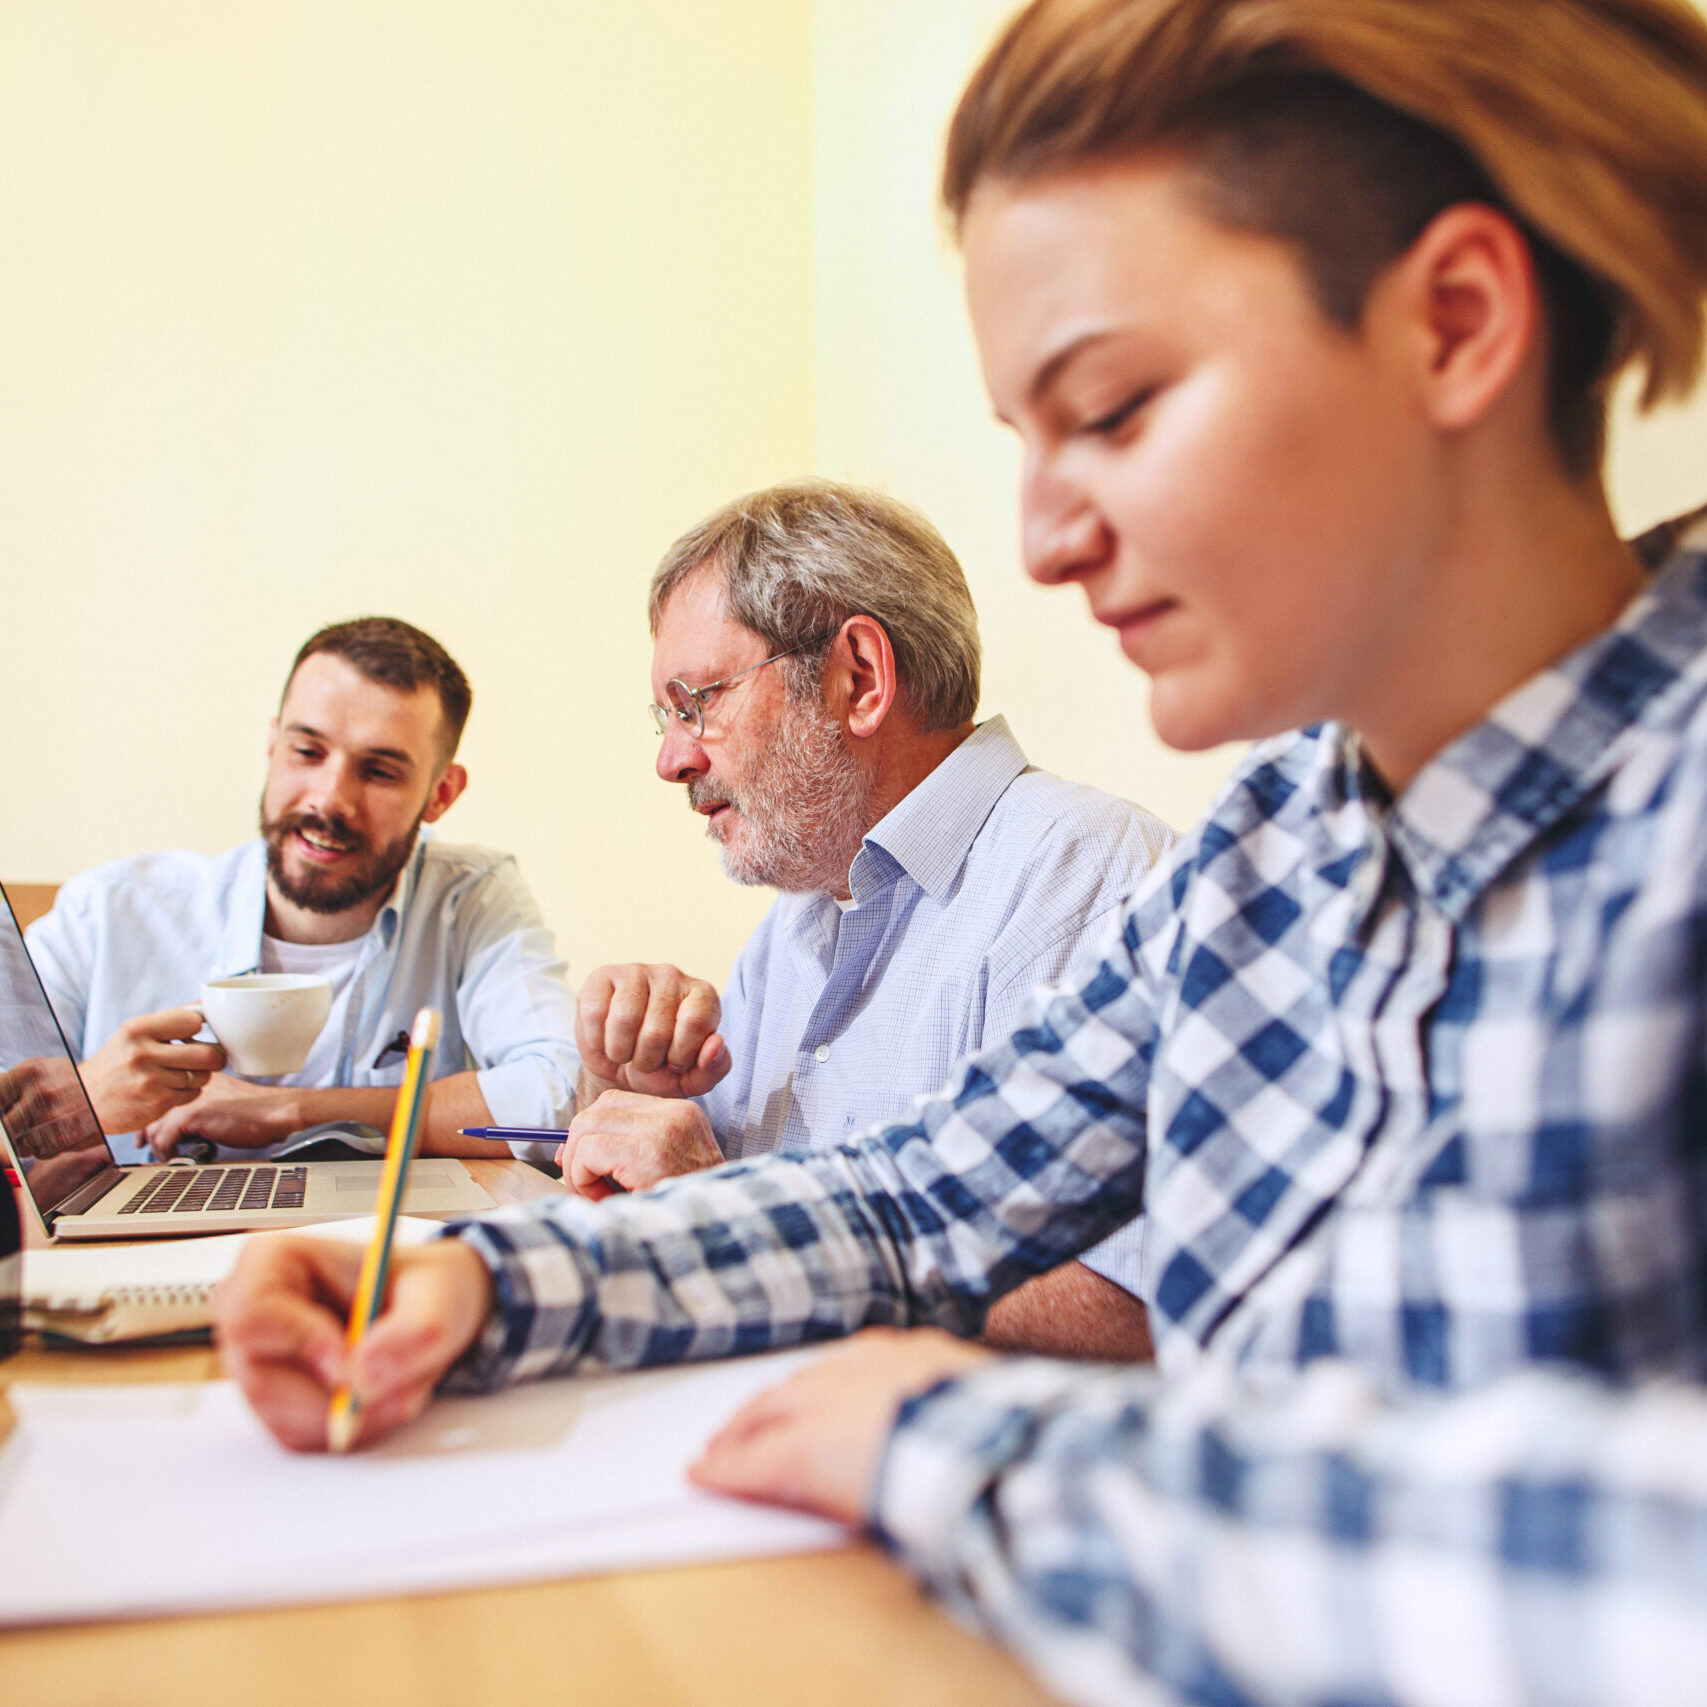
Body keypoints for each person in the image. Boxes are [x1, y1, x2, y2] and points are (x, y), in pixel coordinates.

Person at [215, 2, 1707, 1702]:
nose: (1047, 542)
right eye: (1024, 442)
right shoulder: (1273, 857)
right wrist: (488, 1288)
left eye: (1118, 406)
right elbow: (920, 1195)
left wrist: (952, 1438)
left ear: (1451, 325)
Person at [562, 480, 1174, 1356]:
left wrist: (737, 1214)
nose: (671, 757)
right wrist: (627, 1092)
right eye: (664, 716)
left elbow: (1131, 1300)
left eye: (696, 701)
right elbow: (691, 1174)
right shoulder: (802, 915)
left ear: (859, 678)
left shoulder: (1084, 876)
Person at [30, 617, 578, 1163]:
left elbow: (559, 1094)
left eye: (380, 771)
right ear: (272, 745)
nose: (329, 800)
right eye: (307, 752)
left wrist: (289, 1110)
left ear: (440, 794)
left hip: (374, 1243)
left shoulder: (469, 897)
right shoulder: (105, 912)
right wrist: (85, 1101)